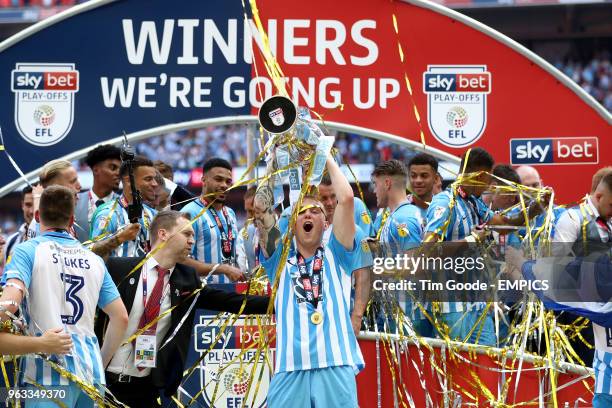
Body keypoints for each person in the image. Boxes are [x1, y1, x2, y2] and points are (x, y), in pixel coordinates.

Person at [96, 210, 270, 407]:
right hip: (104, 382)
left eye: (193, 236)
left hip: (147, 388)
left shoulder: (186, 280)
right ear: (163, 234)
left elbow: (230, 301)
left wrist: (280, 303)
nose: (191, 240)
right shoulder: (119, 268)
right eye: (186, 234)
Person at [0, 185, 128, 408]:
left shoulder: (27, 250)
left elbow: (8, 306)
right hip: (91, 376)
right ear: (71, 220)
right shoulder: (93, 259)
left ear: (38, 216)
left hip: (47, 377)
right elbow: (120, 318)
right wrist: (99, 362)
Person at [254, 155, 365, 408]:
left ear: (326, 223)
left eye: (315, 211)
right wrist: (273, 164)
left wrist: (324, 154)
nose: (308, 215)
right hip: (290, 367)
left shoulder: (338, 254)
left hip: (335, 363)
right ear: (293, 225)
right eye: (301, 212)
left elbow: (346, 199)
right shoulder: (279, 262)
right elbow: (261, 209)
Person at [422, 148, 546, 346]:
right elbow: (427, 251)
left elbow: (502, 226)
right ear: (480, 176)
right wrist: (471, 239)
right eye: (488, 180)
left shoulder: (473, 202)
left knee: (488, 364)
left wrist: (533, 211)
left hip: (478, 303)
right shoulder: (445, 203)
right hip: (453, 307)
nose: (490, 186)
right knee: (463, 369)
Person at [371, 160, 427, 334]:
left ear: (387, 183)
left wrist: (374, 271)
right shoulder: (397, 215)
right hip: (399, 311)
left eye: (375, 184)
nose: (374, 190)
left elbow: (415, 266)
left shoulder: (403, 219)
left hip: (409, 314)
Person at [317, 173, 372, 335]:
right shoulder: (304, 231)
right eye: (323, 198)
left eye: (333, 196)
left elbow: (364, 276)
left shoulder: (355, 231)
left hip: (342, 316)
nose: (329, 203)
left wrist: (357, 316)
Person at [182, 158, 244, 283]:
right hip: (203, 294)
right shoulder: (190, 213)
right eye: (218, 179)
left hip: (230, 291)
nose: (224, 185)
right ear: (203, 180)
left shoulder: (230, 213)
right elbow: (180, 260)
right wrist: (222, 269)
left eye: (228, 181)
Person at [89, 156, 158, 258]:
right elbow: (91, 252)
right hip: (117, 274)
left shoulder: (154, 215)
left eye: (154, 179)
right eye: (148, 179)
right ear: (129, 181)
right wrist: (119, 238)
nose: (155, 184)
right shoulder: (108, 214)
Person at [74, 145, 121, 243]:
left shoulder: (124, 204)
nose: (118, 173)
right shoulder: (74, 202)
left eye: (120, 169)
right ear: (96, 170)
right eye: (113, 168)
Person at [27, 159, 82, 240]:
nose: (79, 186)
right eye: (73, 181)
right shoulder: (44, 225)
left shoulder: (60, 219)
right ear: (55, 188)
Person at [3, 185, 34, 265]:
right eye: (28, 205)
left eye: (36, 205)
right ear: (22, 205)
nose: (31, 211)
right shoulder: (11, 242)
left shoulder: (51, 241)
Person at [407, 153, 440, 219]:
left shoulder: (444, 208)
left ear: (436, 179)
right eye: (413, 176)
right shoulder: (396, 208)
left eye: (424, 176)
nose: (418, 180)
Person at [236, 186, 259, 275]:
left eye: (251, 211)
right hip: (254, 286)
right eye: (247, 211)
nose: (248, 216)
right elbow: (242, 267)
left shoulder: (281, 229)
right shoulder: (244, 234)